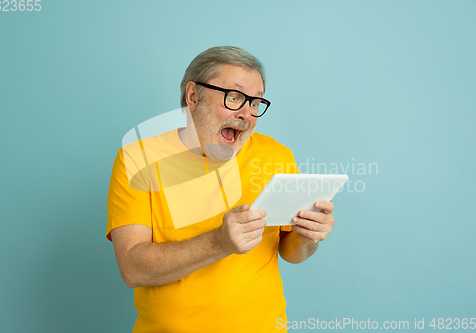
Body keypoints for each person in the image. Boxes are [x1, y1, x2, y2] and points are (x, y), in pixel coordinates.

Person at [106, 46, 336, 333]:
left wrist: (308, 236)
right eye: (235, 97)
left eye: (255, 102)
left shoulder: (277, 157)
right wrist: (219, 242)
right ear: (193, 96)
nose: (246, 114)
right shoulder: (137, 159)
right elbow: (132, 268)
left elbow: (292, 253)